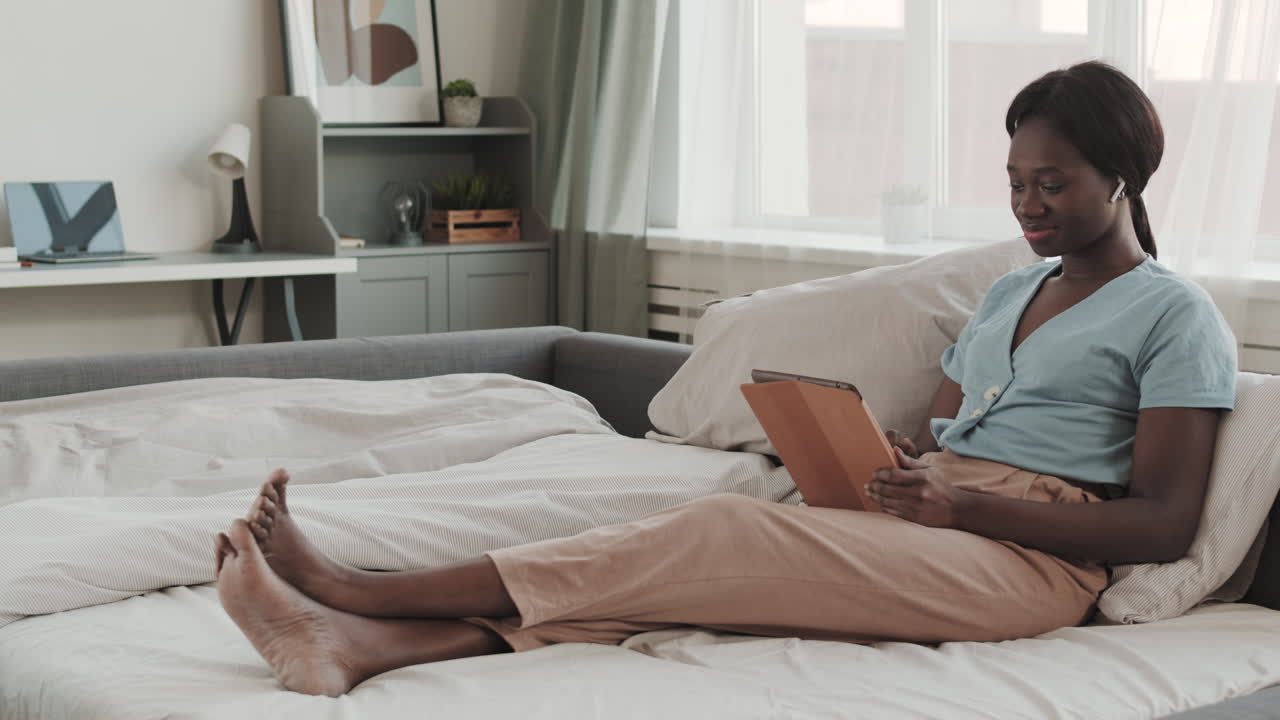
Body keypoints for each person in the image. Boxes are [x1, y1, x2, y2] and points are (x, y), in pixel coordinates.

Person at [212, 61, 1238, 697]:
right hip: (940, 519)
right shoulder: (1008, 296)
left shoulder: (1173, 315)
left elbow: (1157, 523)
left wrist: (960, 506)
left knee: (716, 538)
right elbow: (940, 435)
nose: (1026, 202)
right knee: (691, 570)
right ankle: (359, 650)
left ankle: (354, 588)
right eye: (1014, 180)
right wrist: (879, 462)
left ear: (1120, 177)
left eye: (1050, 182)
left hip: (1029, 563)